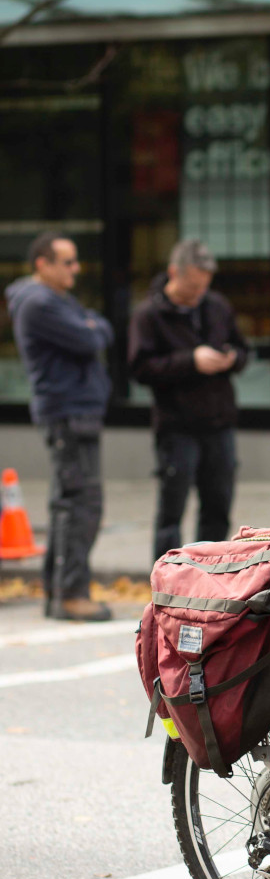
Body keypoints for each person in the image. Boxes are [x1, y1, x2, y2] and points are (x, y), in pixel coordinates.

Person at [4, 232, 113, 621]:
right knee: (82, 505)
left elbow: (100, 328)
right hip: (68, 414)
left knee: (68, 503)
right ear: (42, 264)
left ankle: (58, 589)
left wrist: (91, 326)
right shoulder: (39, 303)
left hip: (74, 412)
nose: (76, 269)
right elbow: (90, 338)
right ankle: (70, 594)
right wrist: (90, 327)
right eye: (67, 262)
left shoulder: (55, 299)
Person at [127, 239, 248, 563]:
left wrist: (232, 358)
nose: (197, 293)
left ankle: (208, 576)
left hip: (219, 421)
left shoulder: (216, 305)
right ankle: (166, 578)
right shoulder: (149, 314)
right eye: (192, 286)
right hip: (176, 425)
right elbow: (139, 368)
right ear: (172, 272)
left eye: (203, 286)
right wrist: (190, 361)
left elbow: (243, 349)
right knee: (172, 508)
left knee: (218, 506)